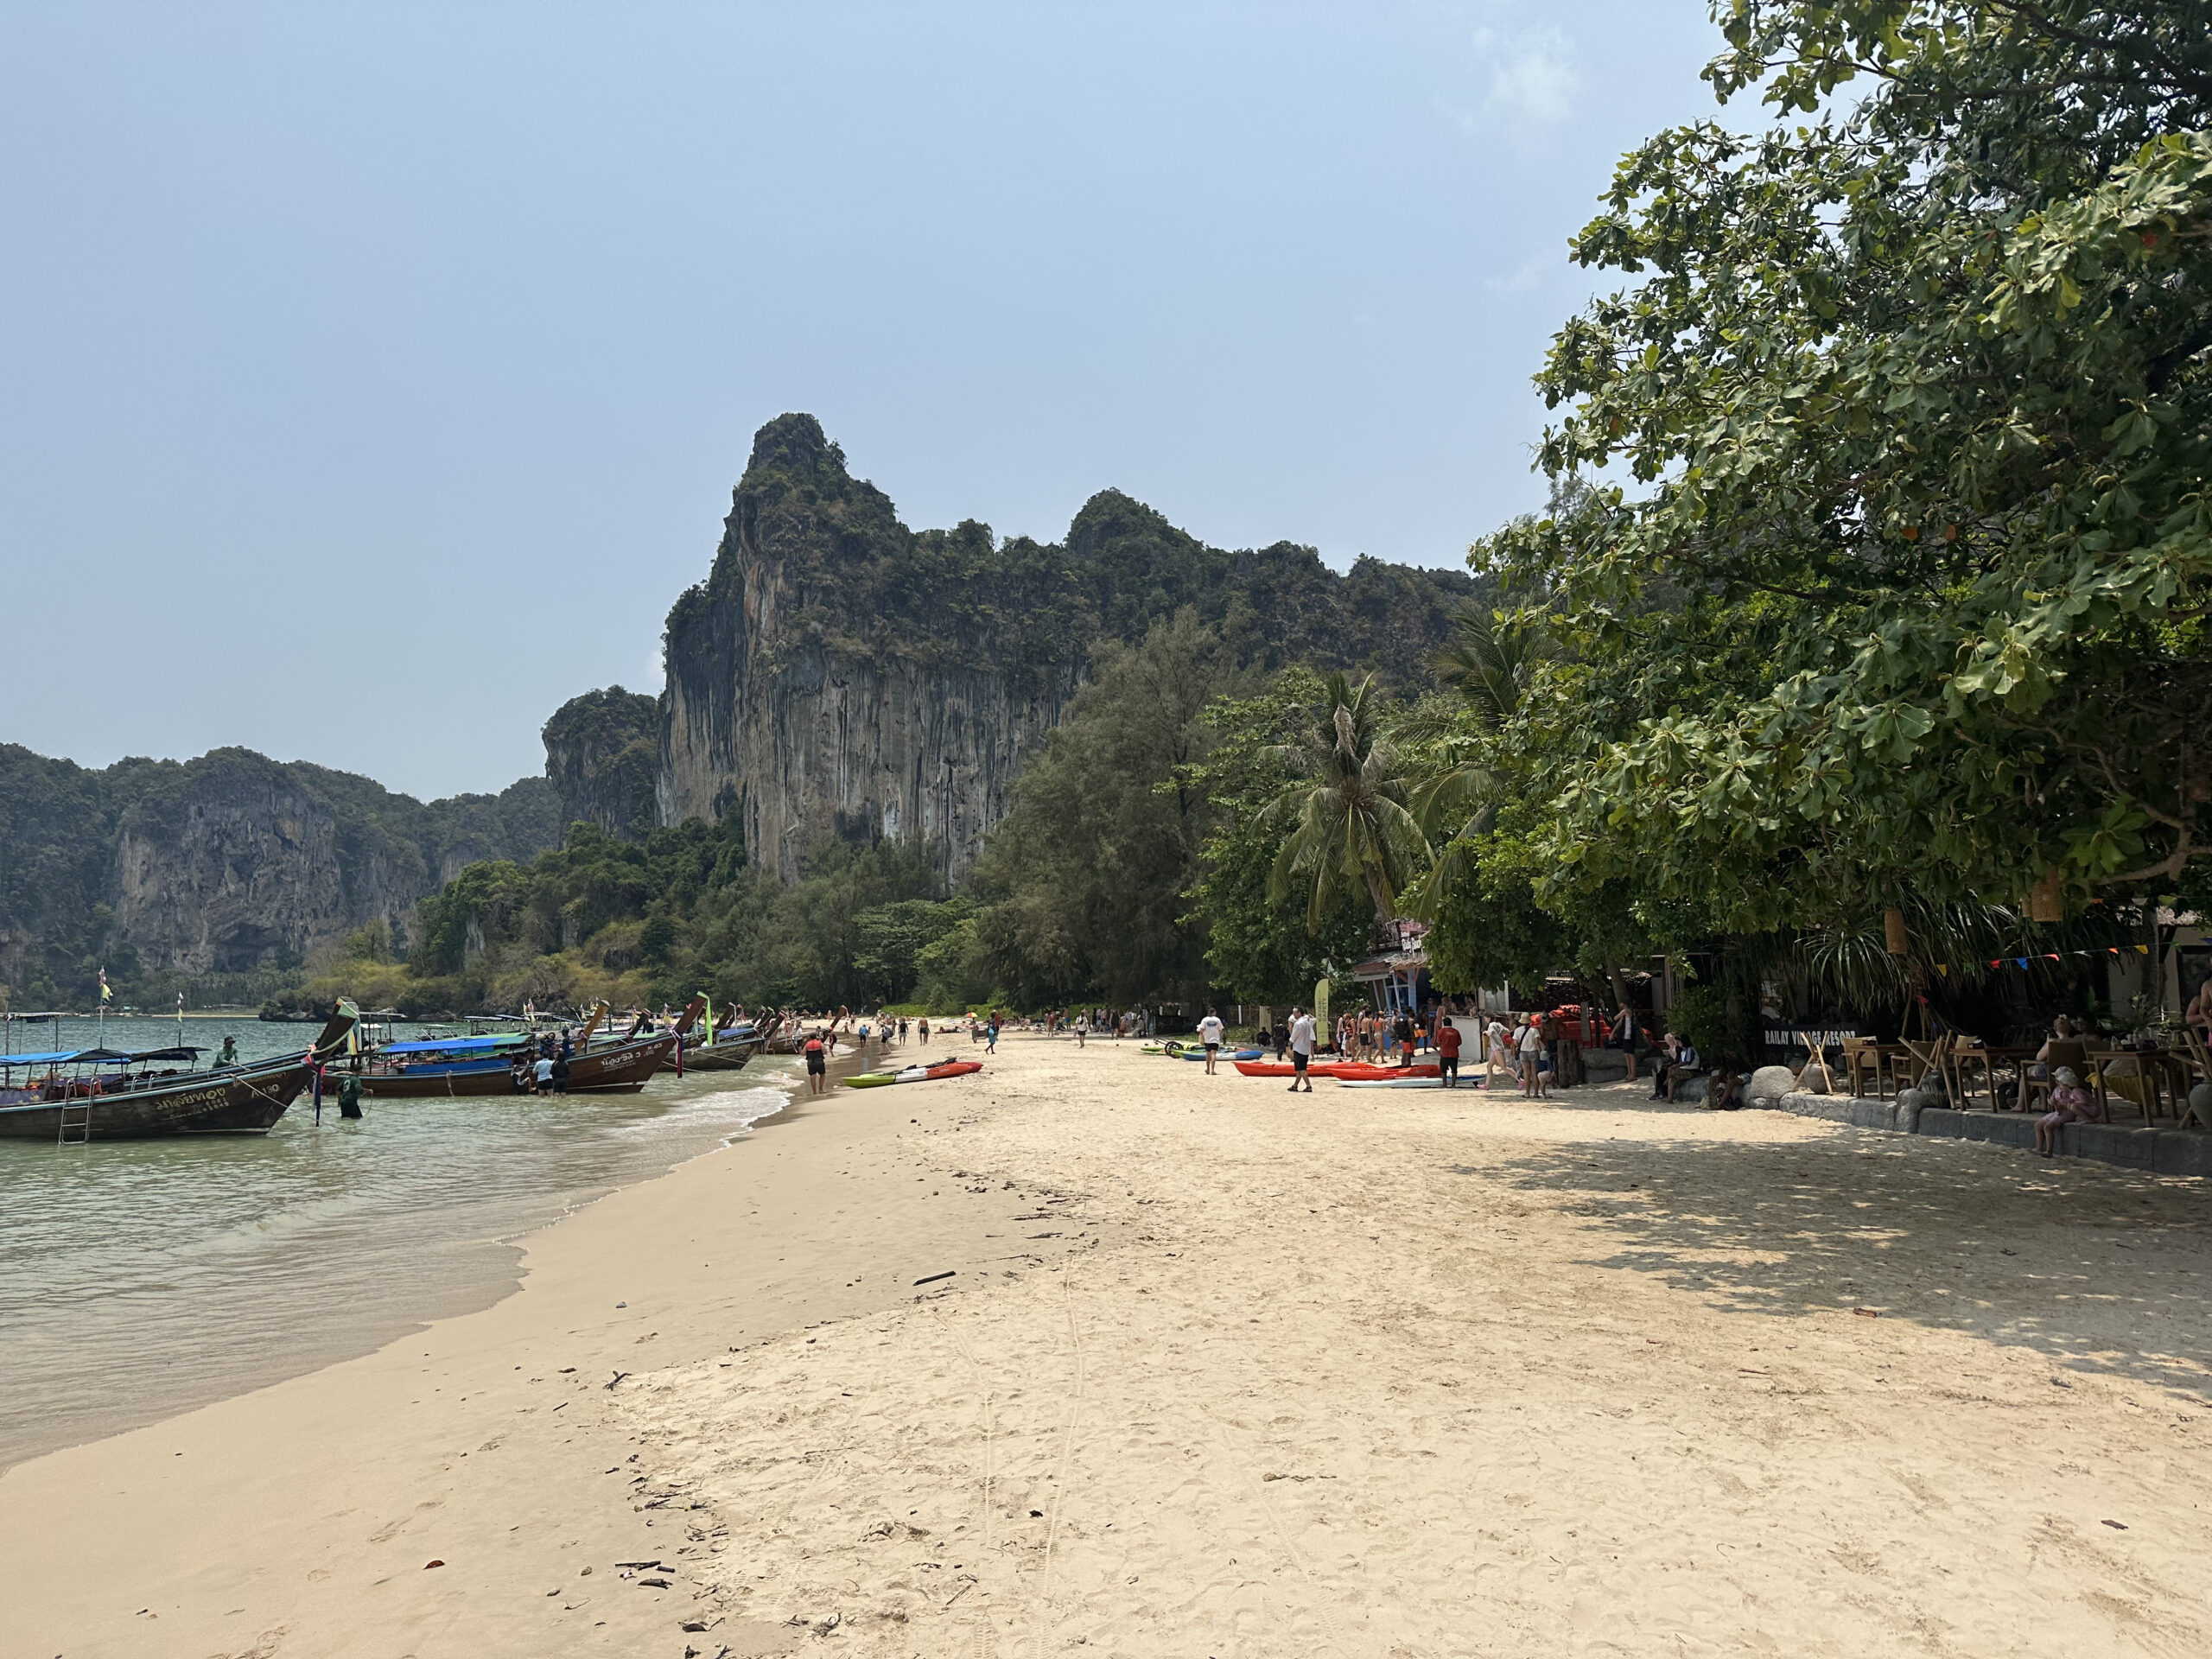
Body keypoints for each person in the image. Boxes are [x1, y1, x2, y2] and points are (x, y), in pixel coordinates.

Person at [2036, 1065, 2104, 1154]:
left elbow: (2075, 1103)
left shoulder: (2073, 1092)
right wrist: (2052, 1101)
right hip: (2058, 1112)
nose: (2057, 1082)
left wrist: (2066, 1105)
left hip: (2066, 1113)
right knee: (2038, 1125)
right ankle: (2039, 1148)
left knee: (2048, 1127)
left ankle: (2049, 1150)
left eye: (2060, 1082)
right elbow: (2054, 1101)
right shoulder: (2057, 1090)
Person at [1287, 1005, 1316, 1092]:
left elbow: (1293, 1037)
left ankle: (1308, 1086)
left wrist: (1289, 1044)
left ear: (1299, 1013)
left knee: (1302, 1069)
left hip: (1299, 1048)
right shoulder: (1307, 1022)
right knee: (1300, 1069)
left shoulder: (1298, 1024)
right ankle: (1295, 1085)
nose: (1293, 1014)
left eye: (1295, 1012)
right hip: (1306, 1048)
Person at [1517, 1017, 1545, 1097]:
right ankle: (1536, 1094)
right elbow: (1537, 1043)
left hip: (1523, 1053)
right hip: (1533, 1052)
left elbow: (1515, 1042)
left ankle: (1527, 1093)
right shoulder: (1534, 1030)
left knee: (1526, 1073)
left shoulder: (1518, 1030)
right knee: (1534, 1073)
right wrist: (1540, 1053)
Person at [1436, 1015, 1464, 1087]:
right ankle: (1453, 1084)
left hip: (1444, 1053)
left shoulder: (1441, 1031)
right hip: (1454, 1053)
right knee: (1454, 1070)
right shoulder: (1456, 1031)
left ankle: (1444, 1084)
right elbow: (1460, 1042)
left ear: (1443, 1023)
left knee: (1443, 1070)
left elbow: (1438, 1042)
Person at [1197, 1008, 1225, 1074]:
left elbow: (1201, 1030)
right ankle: (1213, 1070)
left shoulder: (1204, 1020)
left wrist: (1202, 1036)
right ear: (1214, 1013)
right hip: (1215, 1039)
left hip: (1207, 1039)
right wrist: (1217, 1033)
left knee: (1208, 1055)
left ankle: (1208, 1069)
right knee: (1213, 1054)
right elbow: (1221, 1029)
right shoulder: (1217, 1020)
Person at [803, 1028, 829, 1096]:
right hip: (819, 1061)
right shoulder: (820, 1043)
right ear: (816, 1037)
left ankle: (814, 1092)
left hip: (810, 1062)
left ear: (810, 1038)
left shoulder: (807, 1044)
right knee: (822, 1075)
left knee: (812, 1076)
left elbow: (803, 1053)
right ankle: (820, 1090)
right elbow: (825, 1052)